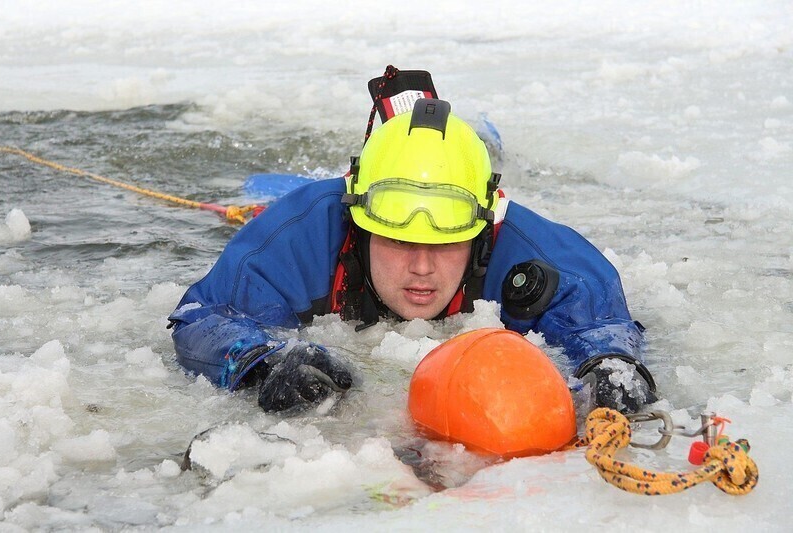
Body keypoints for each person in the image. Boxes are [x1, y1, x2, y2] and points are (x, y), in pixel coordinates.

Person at [169, 89, 657, 415]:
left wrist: (609, 365)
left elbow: (598, 318)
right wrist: (262, 362)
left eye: (445, 243)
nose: (422, 268)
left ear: (483, 232)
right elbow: (204, 315)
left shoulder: (530, 249)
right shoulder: (300, 236)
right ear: (357, 225)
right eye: (399, 240)